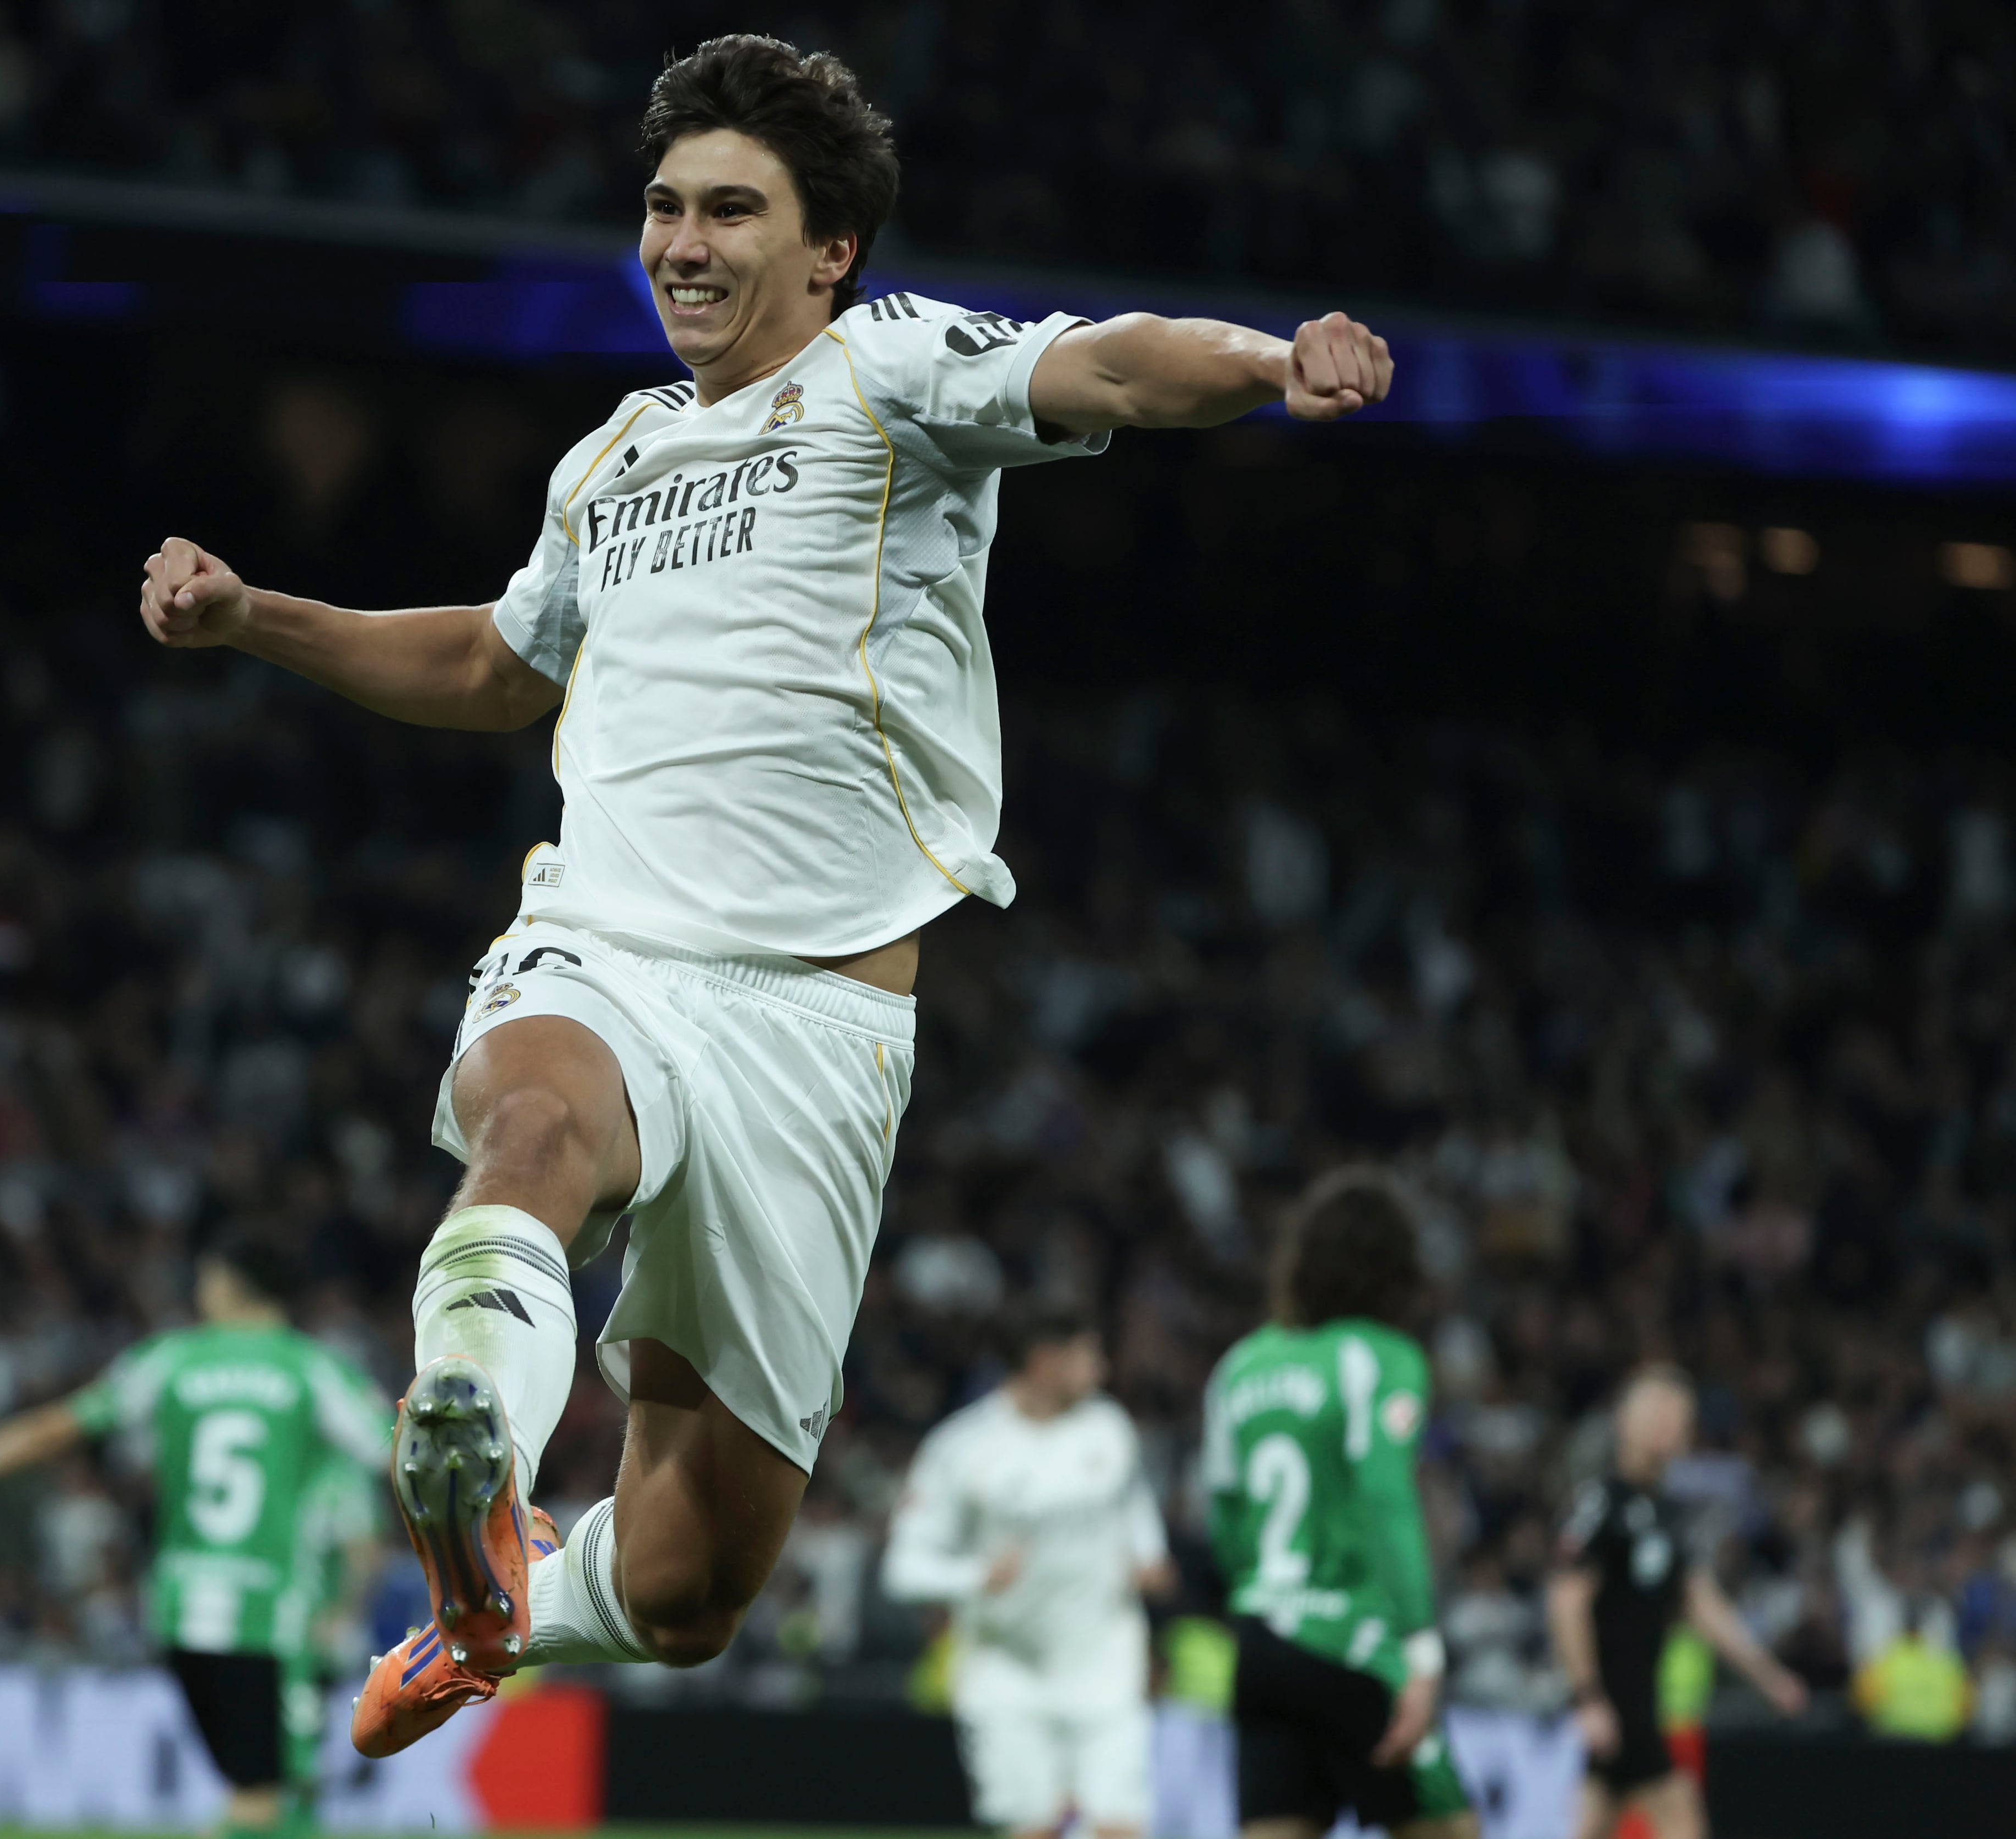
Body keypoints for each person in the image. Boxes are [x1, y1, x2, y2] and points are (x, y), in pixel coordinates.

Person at [132, 31, 1391, 1760]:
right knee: (531, 1125)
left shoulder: (896, 372)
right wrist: (256, 616)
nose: (682, 242)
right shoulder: (613, 458)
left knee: (688, 1583)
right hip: (608, 940)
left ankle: (501, 1609)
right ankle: (474, 1458)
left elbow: (1104, 364)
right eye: (661, 206)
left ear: (828, 251)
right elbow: (500, 663)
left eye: (731, 209)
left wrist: (1268, 362)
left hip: (815, 1021)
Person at [0, 1232, 396, 1837]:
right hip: (267, 1617)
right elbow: (399, 1454)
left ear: (230, 1285)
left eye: (207, 1278)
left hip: (182, 1613)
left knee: (259, 1792)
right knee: (269, 1795)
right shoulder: (312, 1371)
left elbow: (51, 1428)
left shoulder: (169, 1361)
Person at [1199, 1168, 1475, 1839]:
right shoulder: (1380, 1357)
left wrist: (1265, 1593)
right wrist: (1420, 1648)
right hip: (1353, 1643)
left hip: (1262, 1642)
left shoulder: (1240, 1366)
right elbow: (1386, 1501)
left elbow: (1222, 1518)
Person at [882, 1305, 1176, 1839]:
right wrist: (976, 1576)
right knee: (1032, 1830)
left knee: (1120, 1828)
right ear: (1045, 1362)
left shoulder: (1109, 1429)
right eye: (1089, 1356)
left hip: (1105, 1664)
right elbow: (903, 1568)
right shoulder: (962, 1447)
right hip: (1007, 1674)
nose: (1103, 1370)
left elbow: (1133, 1508)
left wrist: (1149, 1557)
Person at [1549, 1367, 1807, 1839]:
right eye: (1658, 1412)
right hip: (1616, 1702)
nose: (1670, 1425)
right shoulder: (1603, 1503)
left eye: (1679, 1416)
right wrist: (1586, 1696)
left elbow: (1702, 1605)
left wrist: (1769, 1677)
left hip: (1639, 1702)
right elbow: (1566, 1600)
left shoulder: (1668, 1515)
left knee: (1595, 1823)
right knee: (1679, 1817)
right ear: (1626, 1422)